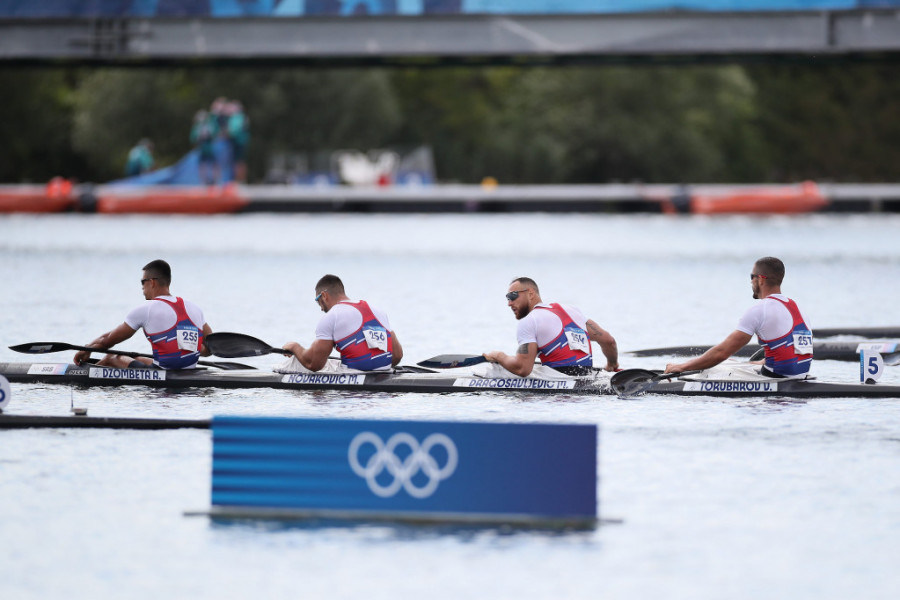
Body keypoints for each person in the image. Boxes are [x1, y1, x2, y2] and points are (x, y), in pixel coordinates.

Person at [665, 256, 813, 378]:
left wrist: (681, 367)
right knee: (729, 362)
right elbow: (788, 349)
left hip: (776, 377)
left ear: (760, 279)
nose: (751, 282)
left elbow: (721, 352)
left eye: (752, 277)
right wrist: (748, 365)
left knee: (711, 368)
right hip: (800, 375)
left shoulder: (759, 310)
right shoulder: (798, 307)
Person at [73, 260, 213, 369]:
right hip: (189, 370)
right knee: (136, 357)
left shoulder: (146, 309)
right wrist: (190, 345)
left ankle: (84, 375)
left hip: (163, 373)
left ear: (152, 282)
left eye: (142, 282)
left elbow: (108, 340)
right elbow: (209, 349)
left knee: (112, 357)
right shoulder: (194, 308)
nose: (141, 286)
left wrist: (87, 349)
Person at [483, 277, 619, 376]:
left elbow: (522, 369)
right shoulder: (572, 311)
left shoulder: (529, 321)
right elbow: (609, 341)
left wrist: (499, 356)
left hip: (557, 394)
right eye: (507, 298)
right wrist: (611, 365)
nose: (509, 303)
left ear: (530, 293)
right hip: (585, 380)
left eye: (513, 296)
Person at [282, 274, 403, 372]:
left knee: (290, 365)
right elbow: (397, 355)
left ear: (324, 295)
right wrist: (374, 369)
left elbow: (314, 364)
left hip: (352, 393)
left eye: (318, 302)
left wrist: (294, 347)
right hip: (383, 387)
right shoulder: (378, 311)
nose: (321, 308)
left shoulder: (332, 316)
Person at [190, 109, 219, 185]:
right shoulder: (197, 127)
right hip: (202, 148)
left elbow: (215, 133)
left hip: (210, 147)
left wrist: (209, 135)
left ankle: (215, 181)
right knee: (202, 164)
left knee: (214, 163)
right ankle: (203, 181)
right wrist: (199, 137)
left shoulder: (211, 125)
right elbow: (192, 138)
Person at [226, 100, 250, 183]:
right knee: (237, 161)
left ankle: (240, 180)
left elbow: (235, 130)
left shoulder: (239, 117)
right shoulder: (235, 117)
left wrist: (228, 132)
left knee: (239, 161)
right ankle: (238, 180)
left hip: (239, 142)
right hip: (237, 141)